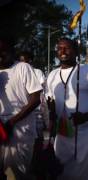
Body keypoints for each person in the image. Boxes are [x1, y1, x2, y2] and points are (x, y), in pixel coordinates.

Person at [46, 37, 88, 180]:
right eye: (60, 48)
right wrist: (52, 114)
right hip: (62, 135)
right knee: (60, 173)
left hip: (86, 136)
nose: (63, 51)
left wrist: (86, 117)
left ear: (75, 51)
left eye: (67, 48)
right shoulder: (52, 75)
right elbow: (50, 100)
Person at [0, 38, 42, 179]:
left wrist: (11, 122)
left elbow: (36, 99)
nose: (0, 55)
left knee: (15, 175)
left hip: (20, 132)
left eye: (3, 51)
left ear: (12, 52)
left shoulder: (23, 68)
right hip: (1, 130)